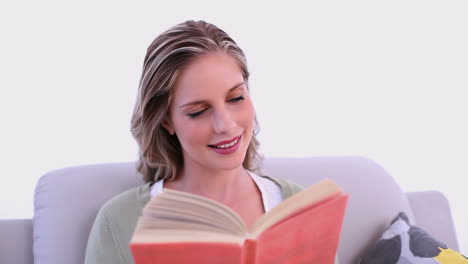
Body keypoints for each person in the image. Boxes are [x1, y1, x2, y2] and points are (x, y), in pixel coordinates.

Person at [84, 20, 320, 264]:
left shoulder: (301, 209)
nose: (225, 125)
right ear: (167, 121)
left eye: (236, 98)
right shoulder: (120, 222)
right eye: (198, 111)